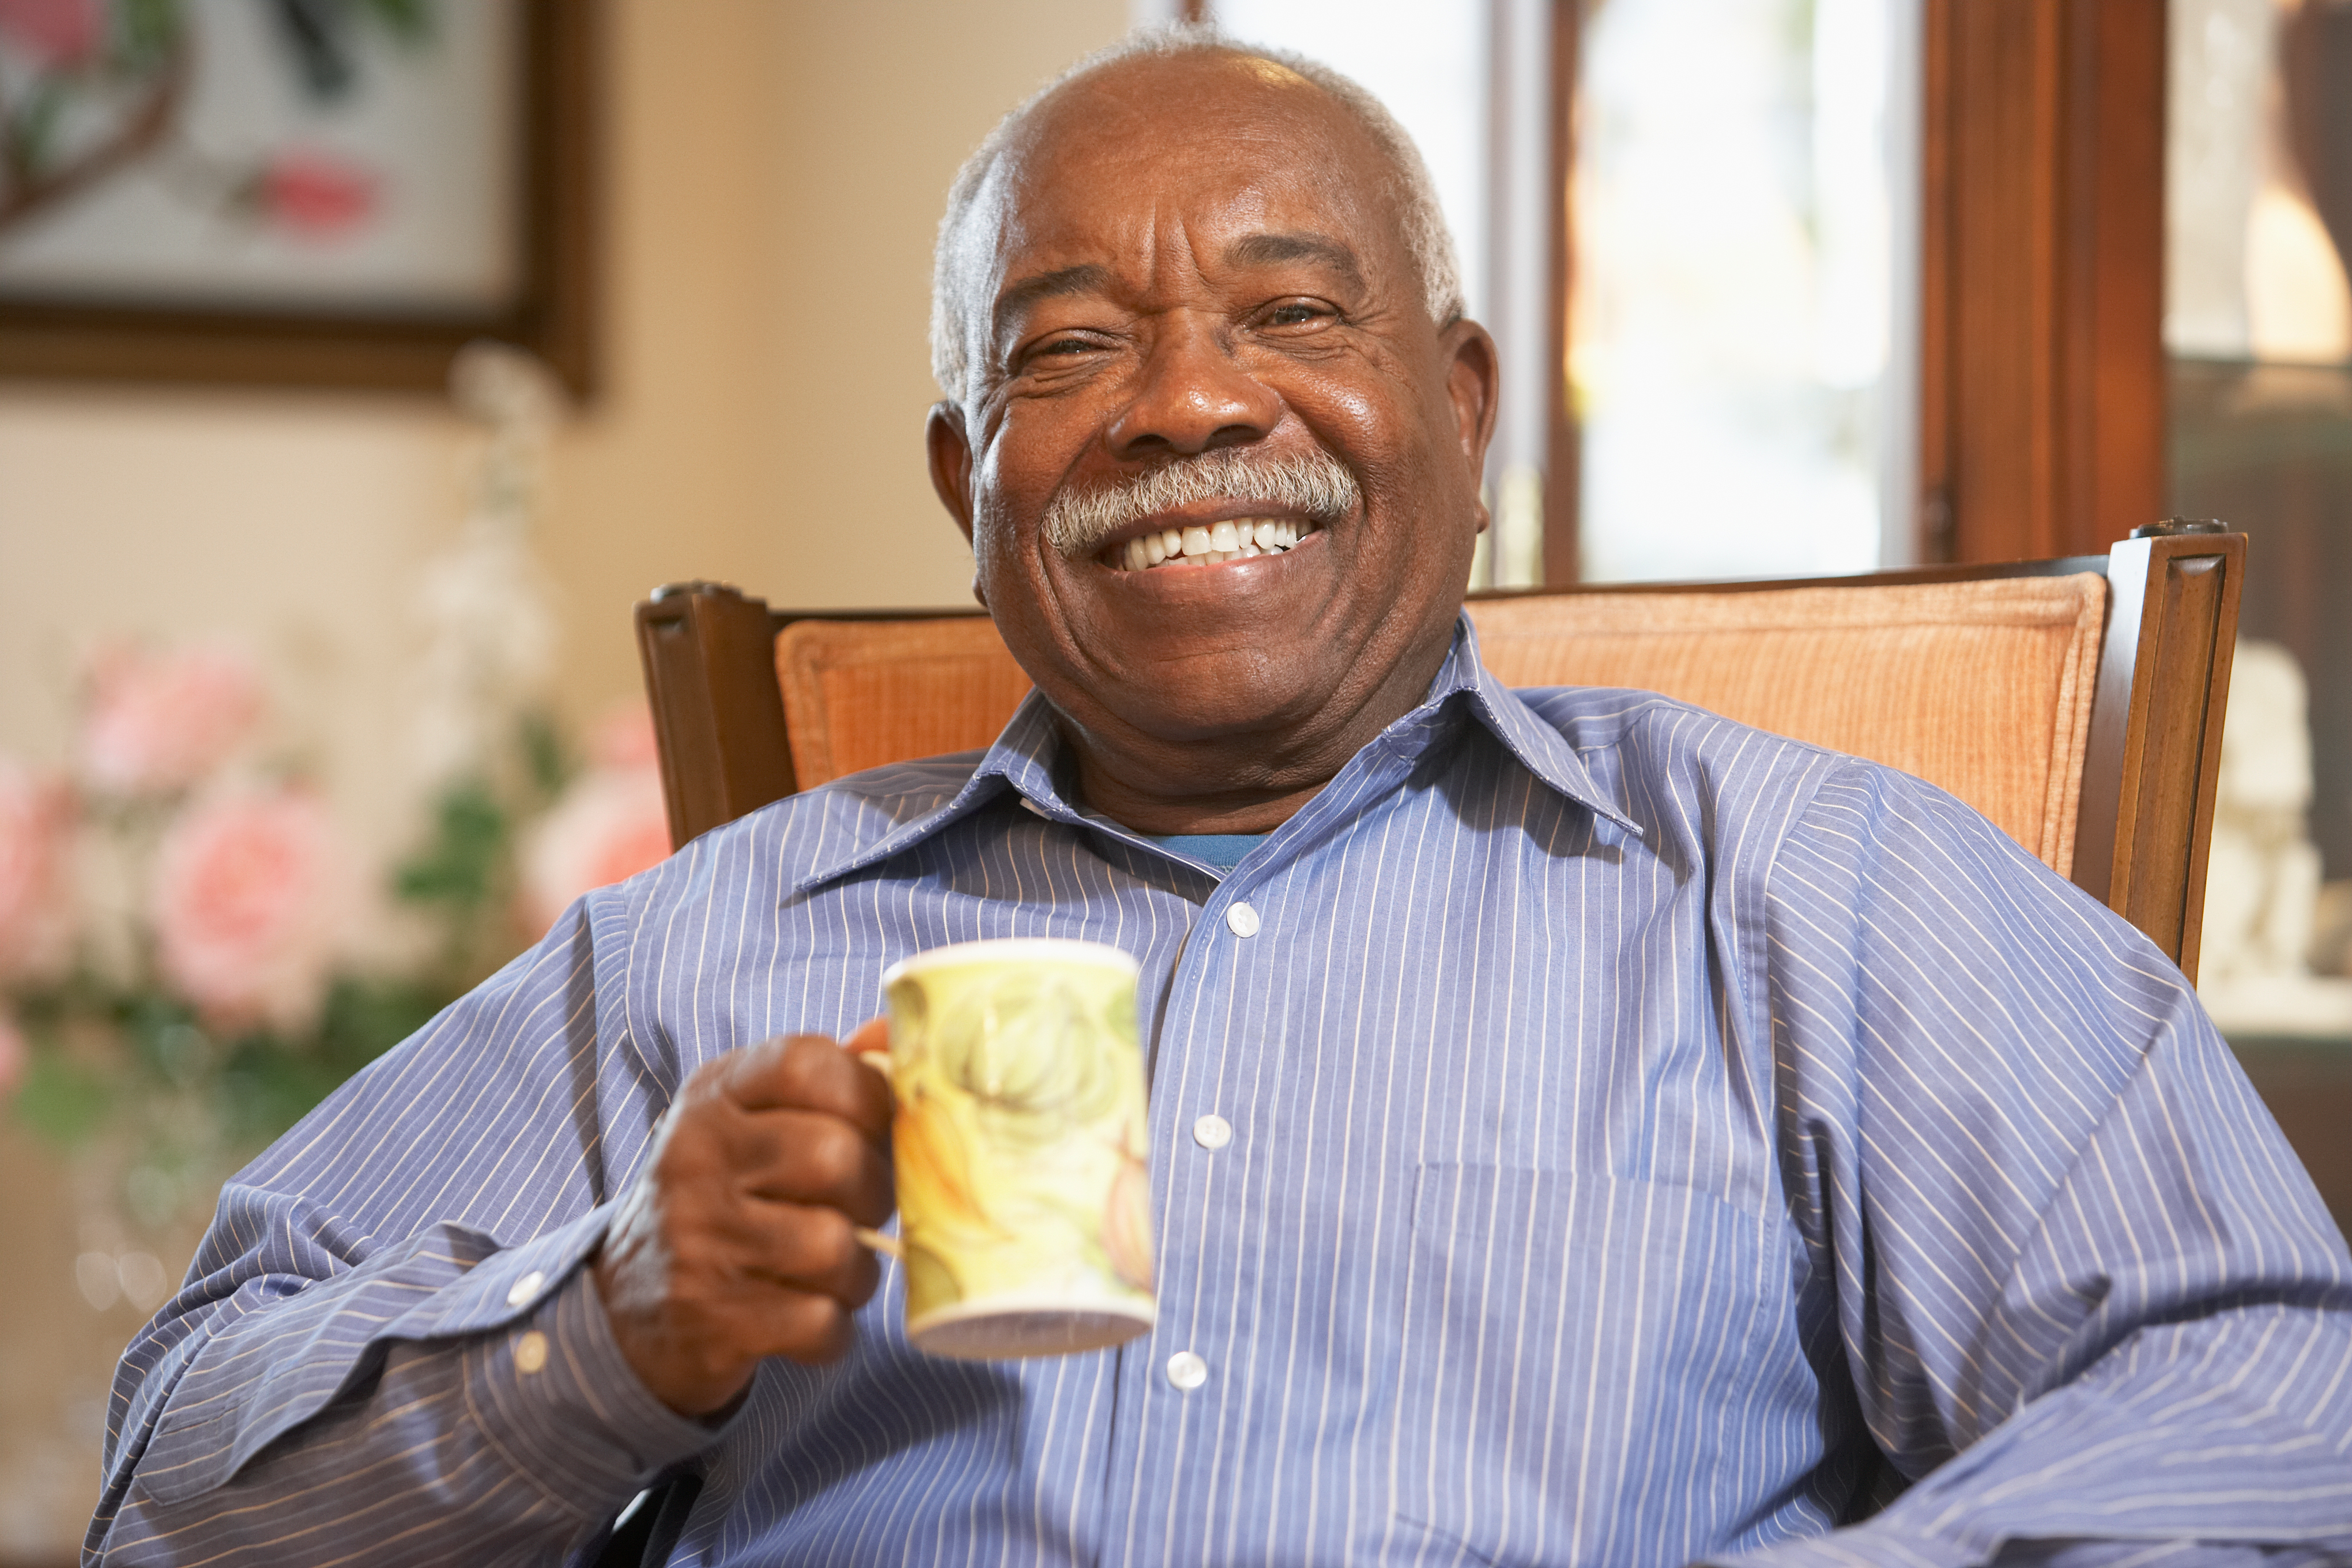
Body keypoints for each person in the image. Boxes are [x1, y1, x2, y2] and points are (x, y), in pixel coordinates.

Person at [90, 28, 2352, 1568]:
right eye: (1069, 345)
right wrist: (610, 1330)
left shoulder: (1798, 887)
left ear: (1460, 414)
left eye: (1292, 312)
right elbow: (170, 1494)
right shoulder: (714, 949)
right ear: (975, 483)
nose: (1182, 403)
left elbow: (2266, 1393)